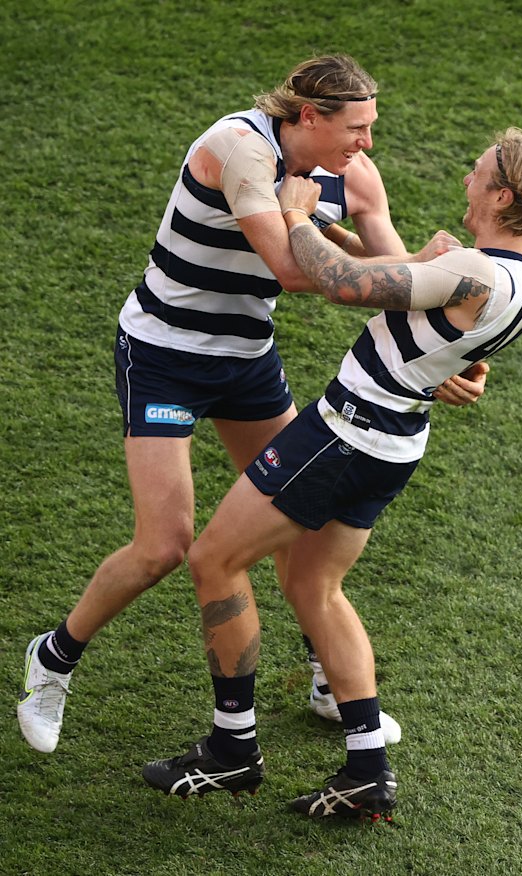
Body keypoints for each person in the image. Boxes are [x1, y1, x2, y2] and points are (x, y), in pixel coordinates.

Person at [17, 55, 486, 756]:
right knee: (164, 546)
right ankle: (53, 659)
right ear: (308, 118)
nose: (368, 144)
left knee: (295, 521)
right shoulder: (240, 150)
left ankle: (329, 677)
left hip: (245, 361)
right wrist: (306, 218)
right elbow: (296, 271)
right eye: (356, 128)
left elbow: (396, 289)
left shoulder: (354, 173)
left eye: (371, 128)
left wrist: (441, 358)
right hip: (165, 359)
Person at [141, 127, 522, 821]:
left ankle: (232, 749)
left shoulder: (474, 272)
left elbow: (347, 286)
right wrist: (340, 234)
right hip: (394, 443)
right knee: (314, 585)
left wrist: (291, 213)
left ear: (500, 194)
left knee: (214, 559)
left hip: (342, 437)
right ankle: (368, 769)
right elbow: (399, 283)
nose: (466, 178)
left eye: (476, 171)